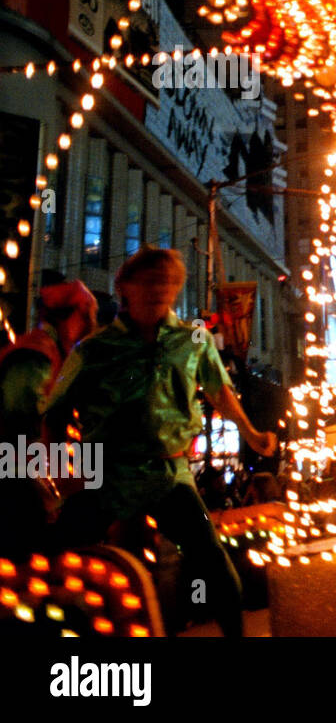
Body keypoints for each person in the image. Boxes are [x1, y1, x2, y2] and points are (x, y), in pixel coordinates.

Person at [42, 248, 277, 637]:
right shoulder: (95, 350)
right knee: (57, 557)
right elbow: (55, 412)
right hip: (108, 473)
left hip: (169, 473)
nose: (160, 289)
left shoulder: (193, 339)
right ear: (124, 288)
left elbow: (219, 390)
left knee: (214, 562)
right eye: (149, 280)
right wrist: (62, 471)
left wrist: (252, 433)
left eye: (168, 282)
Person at [0, 279, 98, 442]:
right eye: (86, 317)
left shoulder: (55, 354)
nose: (89, 328)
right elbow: (19, 417)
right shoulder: (37, 352)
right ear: (69, 317)